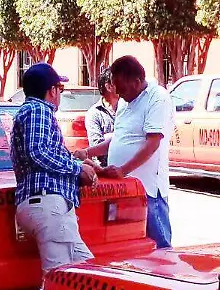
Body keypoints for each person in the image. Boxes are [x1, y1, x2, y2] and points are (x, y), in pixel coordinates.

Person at [75, 56, 175, 249]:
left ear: (137, 82)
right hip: (123, 188)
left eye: (123, 89)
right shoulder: (124, 101)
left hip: (148, 189)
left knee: (160, 246)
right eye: (117, 90)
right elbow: (118, 139)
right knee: (132, 246)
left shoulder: (158, 98)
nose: (119, 95)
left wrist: (123, 169)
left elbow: (153, 144)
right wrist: (87, 152)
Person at [12, 63, 99, 274]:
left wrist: (77, 162)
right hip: (47, 203)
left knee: (86, 272)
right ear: (52, 90)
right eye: (60, 89)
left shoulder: (30, 111)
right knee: (58, 277)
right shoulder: (39, 109)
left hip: (44, 204)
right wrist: (77, 168)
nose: (60, 93)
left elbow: (41, 152)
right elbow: (38, 152)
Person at [84, 69, 118, 165]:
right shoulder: (94, 113)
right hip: (105, 170)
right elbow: (96, 146)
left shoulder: (128, 108)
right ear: (109, 86)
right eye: (119, 82)